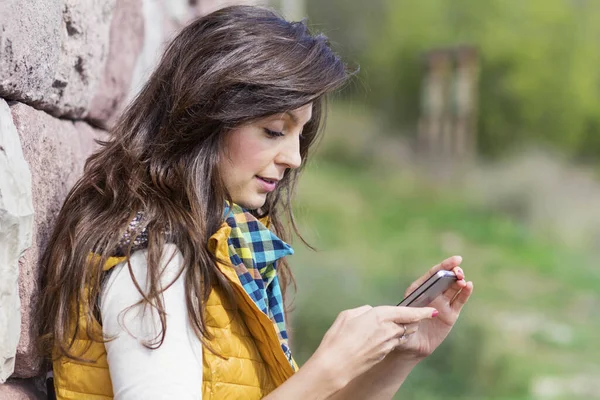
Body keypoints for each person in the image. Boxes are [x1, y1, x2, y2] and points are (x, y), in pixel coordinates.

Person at [38, 5, 474, 400]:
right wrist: (326, 368)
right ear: (205, 117)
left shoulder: (222, 251)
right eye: (273, 130)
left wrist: (400, 356)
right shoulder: (154, 267)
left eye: (299, 133)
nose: (294, 157)